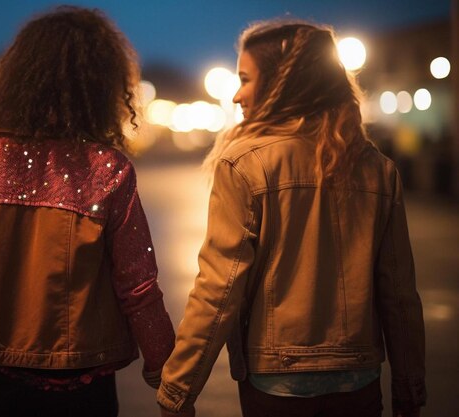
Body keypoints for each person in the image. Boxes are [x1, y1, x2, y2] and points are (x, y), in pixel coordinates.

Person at [0, 6, 175, 417]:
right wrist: (167, 377)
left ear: (16, 76)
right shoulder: (106, 169)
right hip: (83, 377)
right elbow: (138, 285)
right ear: (101, 86)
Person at [157, 21, 426, 417]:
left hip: (277, 385)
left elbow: (220, 287)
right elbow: (399, 293)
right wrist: (409, 387)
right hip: (359, 381)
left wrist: (178, 389)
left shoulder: (246, 163)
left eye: (245, 79)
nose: (236, 94)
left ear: (281, 82)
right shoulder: (378, 170)